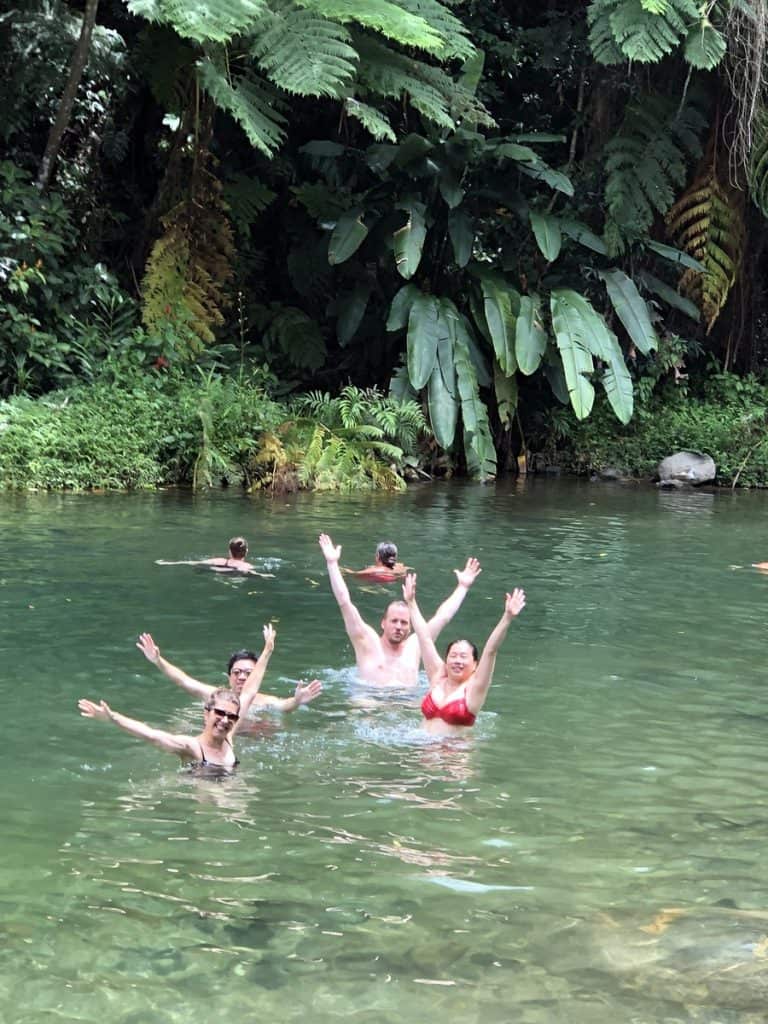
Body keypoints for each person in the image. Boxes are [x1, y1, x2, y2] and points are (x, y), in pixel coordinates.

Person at [318, 532, 481, 686]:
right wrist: (332, 563)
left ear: (410, 627)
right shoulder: (366, 641)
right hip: (369, 703)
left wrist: (463, 587)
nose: (398, 626)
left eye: (404, 622)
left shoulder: (416, 645)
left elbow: (442, 617)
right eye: (394, 621)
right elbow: (344, 602)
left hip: (406, 705)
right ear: (383, 623)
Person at [402, 572, 526, 735]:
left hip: (453, 757)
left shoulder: (475, 688)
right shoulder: (438, 677)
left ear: (475, 664)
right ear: (446, 660)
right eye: (453, 656)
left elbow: (490, 650)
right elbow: (424, 638)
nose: (457, 661)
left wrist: (507, 617)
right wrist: (411, 603)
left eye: (463, 657)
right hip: (422, 752)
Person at [135, 625, 322, 720]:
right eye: (237, 672)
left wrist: (297, 701)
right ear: (228, 677)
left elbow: (284, 706)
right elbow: (183, 681)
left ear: (257, 676)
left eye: (249, 673)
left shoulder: (265, 702)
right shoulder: (215, 696)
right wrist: (157, 660)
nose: (242, 677)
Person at [77, 685, 251, 769]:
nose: (225, 720)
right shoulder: (191, 747)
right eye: (220, 713)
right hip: (207, 807)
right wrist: (112, 717)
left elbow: (249, 693)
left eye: (232, 716)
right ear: (207, 714)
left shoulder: (228, 739)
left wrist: (267, 651)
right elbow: (151, 735)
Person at [155, 537, 267, 575]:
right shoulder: (247, 566)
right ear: (246, 551)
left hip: (221, 572)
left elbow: (192, 562)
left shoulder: (220, 560)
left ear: (229, 551)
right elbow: (255, 574)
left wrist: (169, 563)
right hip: (236, 574)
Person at [344, 541, 411, 583]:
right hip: (392, 579)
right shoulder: (400, 567)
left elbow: (353, 574)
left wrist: (343, 570)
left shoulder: (373, 570)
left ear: (377, 556)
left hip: (376, 578)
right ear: (395, 557)